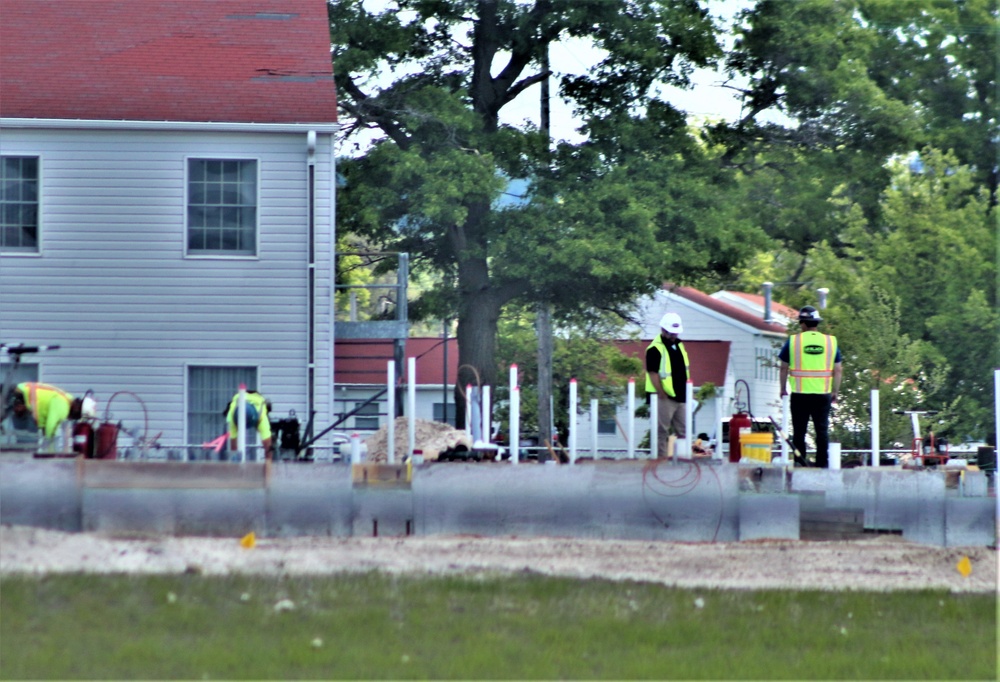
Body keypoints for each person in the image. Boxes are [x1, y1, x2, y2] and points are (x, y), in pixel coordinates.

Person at [778, 306, 843, 467]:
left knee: (799, 432)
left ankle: (800, 463)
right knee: (822, 431)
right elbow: (838, 368)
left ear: (802, 323)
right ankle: (823, 464)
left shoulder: (793, 342)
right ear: (816, 323)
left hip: (800, 394)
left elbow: (783, 367)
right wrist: (835, 391)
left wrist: (782, 388)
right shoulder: (830, 341)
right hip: (823, 394)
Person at [645, 312, 690, 457]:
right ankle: (661, 460)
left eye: (675, 333)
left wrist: (688, 391)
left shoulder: (679, 345)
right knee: (662, 430)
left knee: (684, 430)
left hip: (680, 395)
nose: (674, 335)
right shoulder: (655, 349)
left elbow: (683, 370)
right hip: (664, 396)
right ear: (663, 330)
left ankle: (683, 459)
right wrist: (661, 392)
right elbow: (653, 373)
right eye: (671, 333)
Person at [7, 382, 97, 448]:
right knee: (27, 444)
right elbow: (50, 426)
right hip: (23, 398)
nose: (74, 418)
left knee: (28, 442)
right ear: (78, 410)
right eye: (77, 416)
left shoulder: (68, 399)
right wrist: (50, 450)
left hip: (23, 394)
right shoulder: (63, 407)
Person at [225, 389, 273, 460]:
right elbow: (233, 447)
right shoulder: (233, 416)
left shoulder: (261, 415)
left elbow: (268, 447)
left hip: (254, 404)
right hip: (237, 408)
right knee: (228, 443)